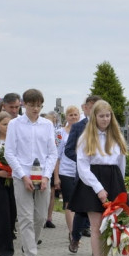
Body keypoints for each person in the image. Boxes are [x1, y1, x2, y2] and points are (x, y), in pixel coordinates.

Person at [71, 100, 127, 256]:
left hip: (113, 180)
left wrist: (119, 188)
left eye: (108, 115)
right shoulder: (86, 138)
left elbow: (121, 164)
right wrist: (99, 189)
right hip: (93, 182)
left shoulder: (117, 136)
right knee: (96, 227)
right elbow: (83, 167)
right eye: (101, 116)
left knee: (109, 225)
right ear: (94, 117)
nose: (105, 119)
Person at [5, 89, 58, 256]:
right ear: (24, 105)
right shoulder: (15, 124)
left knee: (41, 216)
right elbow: (9, 152)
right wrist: (22, 175)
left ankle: (29, 244)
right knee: (25, 217)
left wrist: (46, 176)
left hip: (42, 175)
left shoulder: (47, 125)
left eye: (39, 105)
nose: (36, 109)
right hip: (23, 176)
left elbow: (52, 152)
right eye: (32, 105)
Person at [63, 94, 102, 252]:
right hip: (84, 175)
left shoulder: (105, 126)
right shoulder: (79, 127)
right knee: (81, 210)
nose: (93, 110)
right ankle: (75, 237)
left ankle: (98, 248)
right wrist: (83, 161)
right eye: (91, 107)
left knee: (100, 210)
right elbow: (69, 150)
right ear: (86, 108)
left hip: (102, 175)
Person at [0, 114, 15, 256]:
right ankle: (4, 250)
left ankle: (11, 238)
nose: (7, 127)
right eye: (5, 124)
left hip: (14, 180)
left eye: (10, 124)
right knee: (1, 215)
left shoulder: (15, 141)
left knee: (13, 213)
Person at [57, 105, 81, 247]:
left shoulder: (83, 131)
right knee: (69, 203)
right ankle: (72, 233)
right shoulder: (61, 133)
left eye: (75, 114)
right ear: (66, 117)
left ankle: (78, 230)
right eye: (70, 115)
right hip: (66, 171)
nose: (73, 117)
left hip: (80, 171)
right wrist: (56, 177)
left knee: (79, 204)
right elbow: (57, 155)